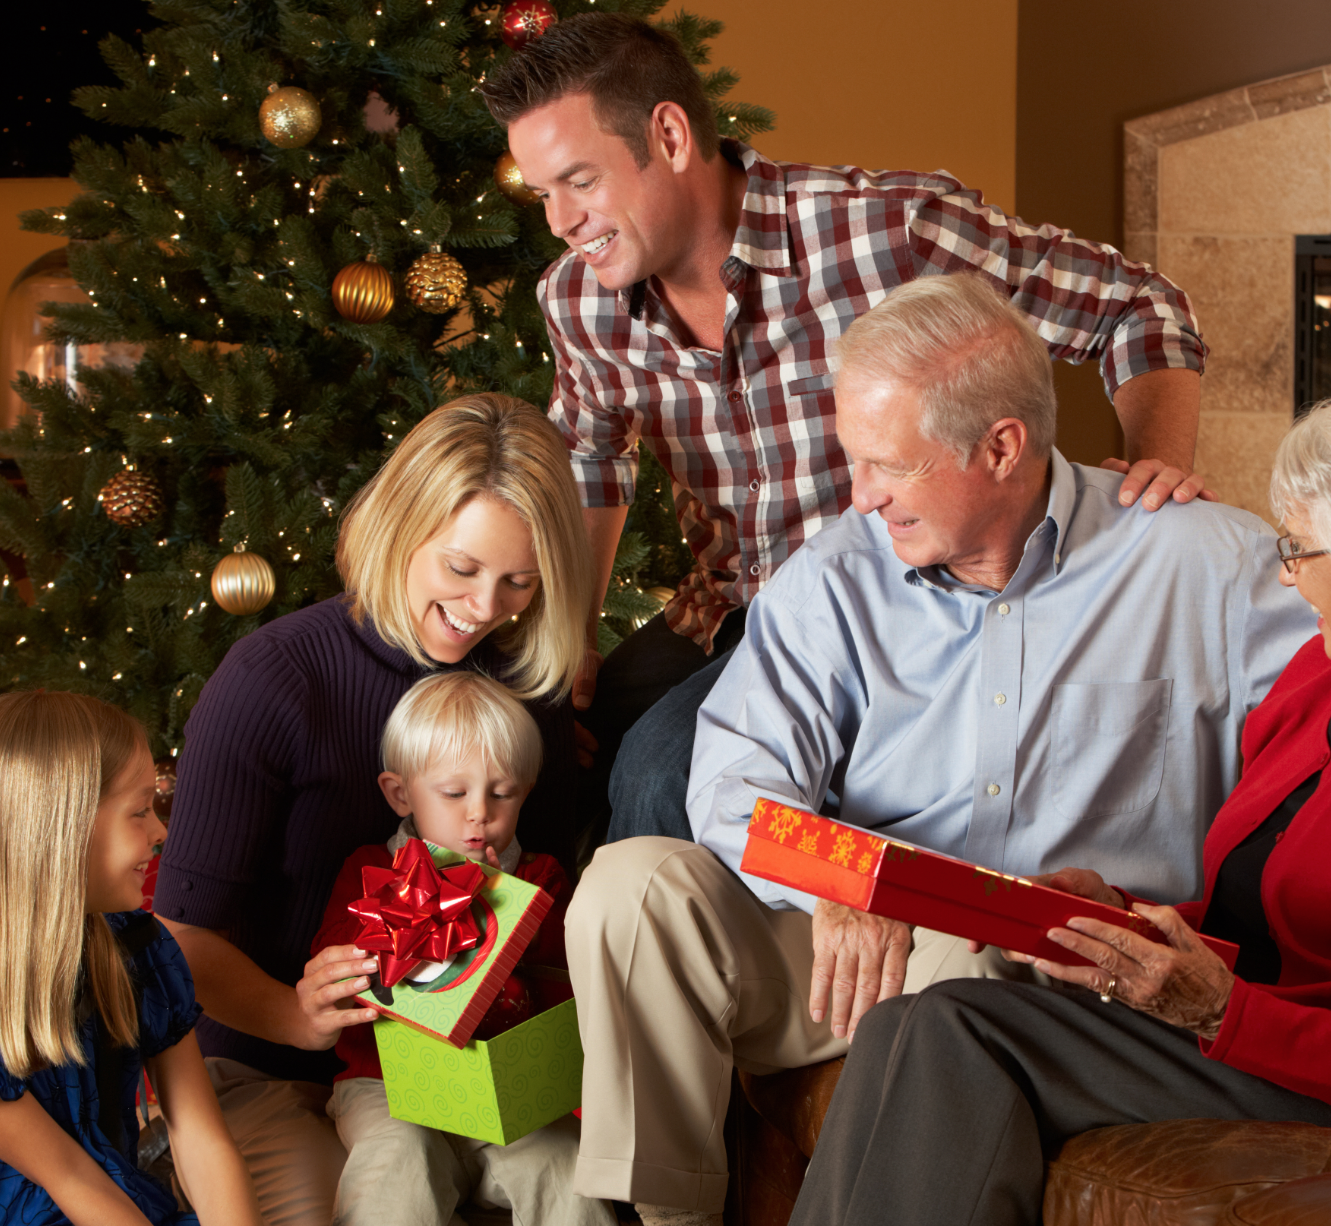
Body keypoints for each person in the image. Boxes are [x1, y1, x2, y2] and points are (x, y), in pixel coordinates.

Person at [561, 274, 1331, 1226]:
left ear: (1001, 447)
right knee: (632, 884)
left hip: (1045, 963)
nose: (862, 492)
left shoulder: (1213, 569)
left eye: (889, 463)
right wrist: (863, 880)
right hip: (891, 926)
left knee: (943, 1018)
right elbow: (732, 784)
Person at [788, 367, 1331, 1226]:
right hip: (1245, 1022)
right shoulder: (1325, 674)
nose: (1286, 579)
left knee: (953, 1031)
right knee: (906, 1024)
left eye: (1297, 551)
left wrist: (1221, 1009)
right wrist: (1123, 921)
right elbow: (1261, 913)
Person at [480, 13, 1214, 843]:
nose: (560, 220)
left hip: (892, 609)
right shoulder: (577, 299)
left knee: (658, 773)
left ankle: (705, 962)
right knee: (532, 744)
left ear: (671, 134)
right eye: (544, 192)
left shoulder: (888, 233)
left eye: (579, 180)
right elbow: (591, 463)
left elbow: (1136, 307)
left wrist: (1155, 480)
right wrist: (570, 642)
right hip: (722, 612)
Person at [152, 394, 594, 1225]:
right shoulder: (272, 679)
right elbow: (181, 936)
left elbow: (544, 887)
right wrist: (298, 1016)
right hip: (274, 1062)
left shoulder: (527, 684)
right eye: (461, 569)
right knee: (364, 1193)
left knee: (566, 1178)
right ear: (400, 527)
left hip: (463, 1065)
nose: (485, 608)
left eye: (519, 582)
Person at [0, 690, 263, 1226]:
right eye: (140, 811)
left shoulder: (139, 948)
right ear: (62, 829)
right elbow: (68, 1178)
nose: (161, 832)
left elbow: (201, 1137)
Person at [310, 670, 613, 1226]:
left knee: (565, 1166)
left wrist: (502, 905)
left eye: (503, 793)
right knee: (397, 1162)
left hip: (504, 1095)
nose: (480, 813)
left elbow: (566, 992)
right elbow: (343, 979)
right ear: (400, 794)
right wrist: (430, 901)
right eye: (454, 794)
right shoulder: (369, 871)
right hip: (386, 1087)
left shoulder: (541, 878)